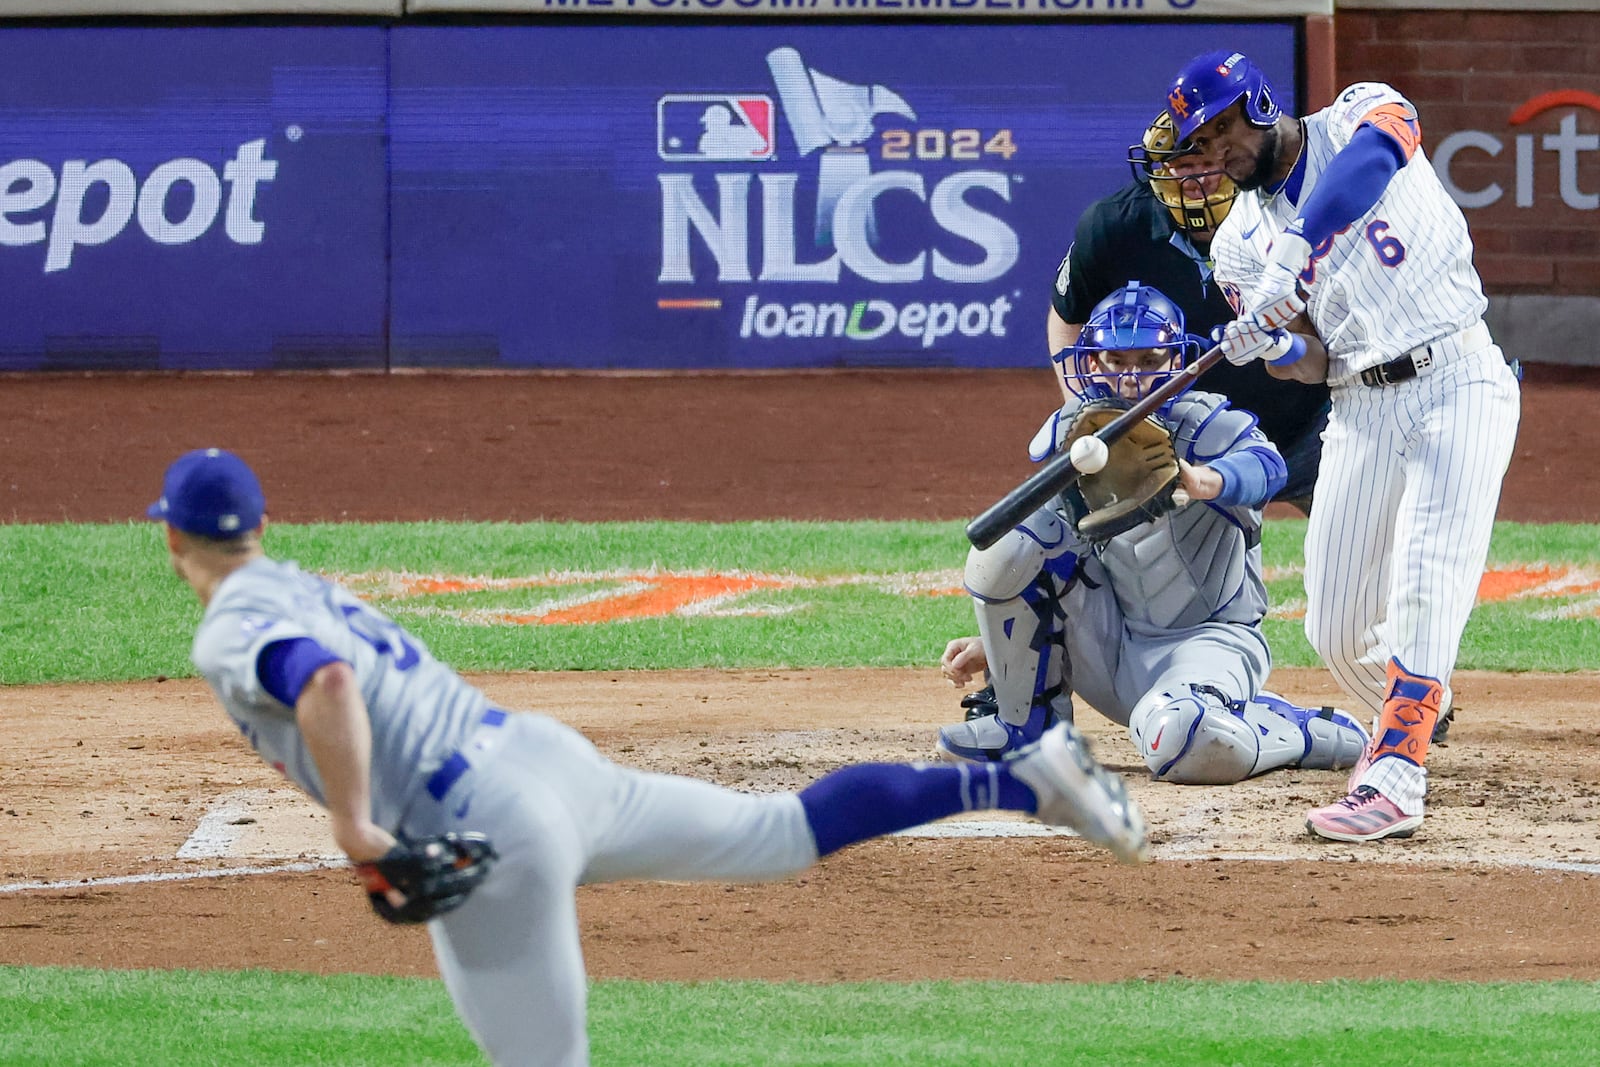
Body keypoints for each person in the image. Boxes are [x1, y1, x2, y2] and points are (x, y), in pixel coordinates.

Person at [147, 447, 1147, 1067]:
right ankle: (1015, 779)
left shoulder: (232, 622)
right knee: (780, 831)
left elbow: (321, 684)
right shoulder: (298, 580)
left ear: (170, 539)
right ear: (260, 525)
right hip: (544, 760)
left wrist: (355, 821)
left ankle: (1019, 779)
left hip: (489, 829)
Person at [1161, 51, 1521, 840]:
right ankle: (1425, 703)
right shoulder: (1237, 248)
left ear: (1258, 104)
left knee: (1426, 574)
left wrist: (1298, 252)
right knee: (1335, 625)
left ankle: (1396, 771)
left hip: (1456, 373)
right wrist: (1271, 345)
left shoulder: (1358, 111)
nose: (1215, 149)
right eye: (1201, 139)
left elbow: (1374, 159)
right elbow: (1314, 357)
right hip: (1359, 405)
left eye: (1223, 127)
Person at [936, 284, 1369, 786]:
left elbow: (1267, 468)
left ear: (1174, 359)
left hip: (1207, 643)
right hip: (1109, 641)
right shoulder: (1075, 438)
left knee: (1189, 744)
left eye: (1148, 358)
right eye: (1115, 359)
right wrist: (1004, 644)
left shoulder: (1208, 426)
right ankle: (1024, 729)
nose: (1130, 376)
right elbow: (1037, 559)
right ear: (1091, 363)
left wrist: (1206, 480)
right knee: (1009, 542)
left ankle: (1295, 729)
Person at [1048, 111, 1330, 515]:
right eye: (1182, 167)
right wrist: (1083, 407)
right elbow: (1066, 314)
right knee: (1156, 566)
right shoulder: (1113, 226)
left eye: (1208, 165)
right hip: (1185, 439)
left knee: (1366, 557)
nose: (1196, 182)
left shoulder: (1289, 214)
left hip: (1308, 423)